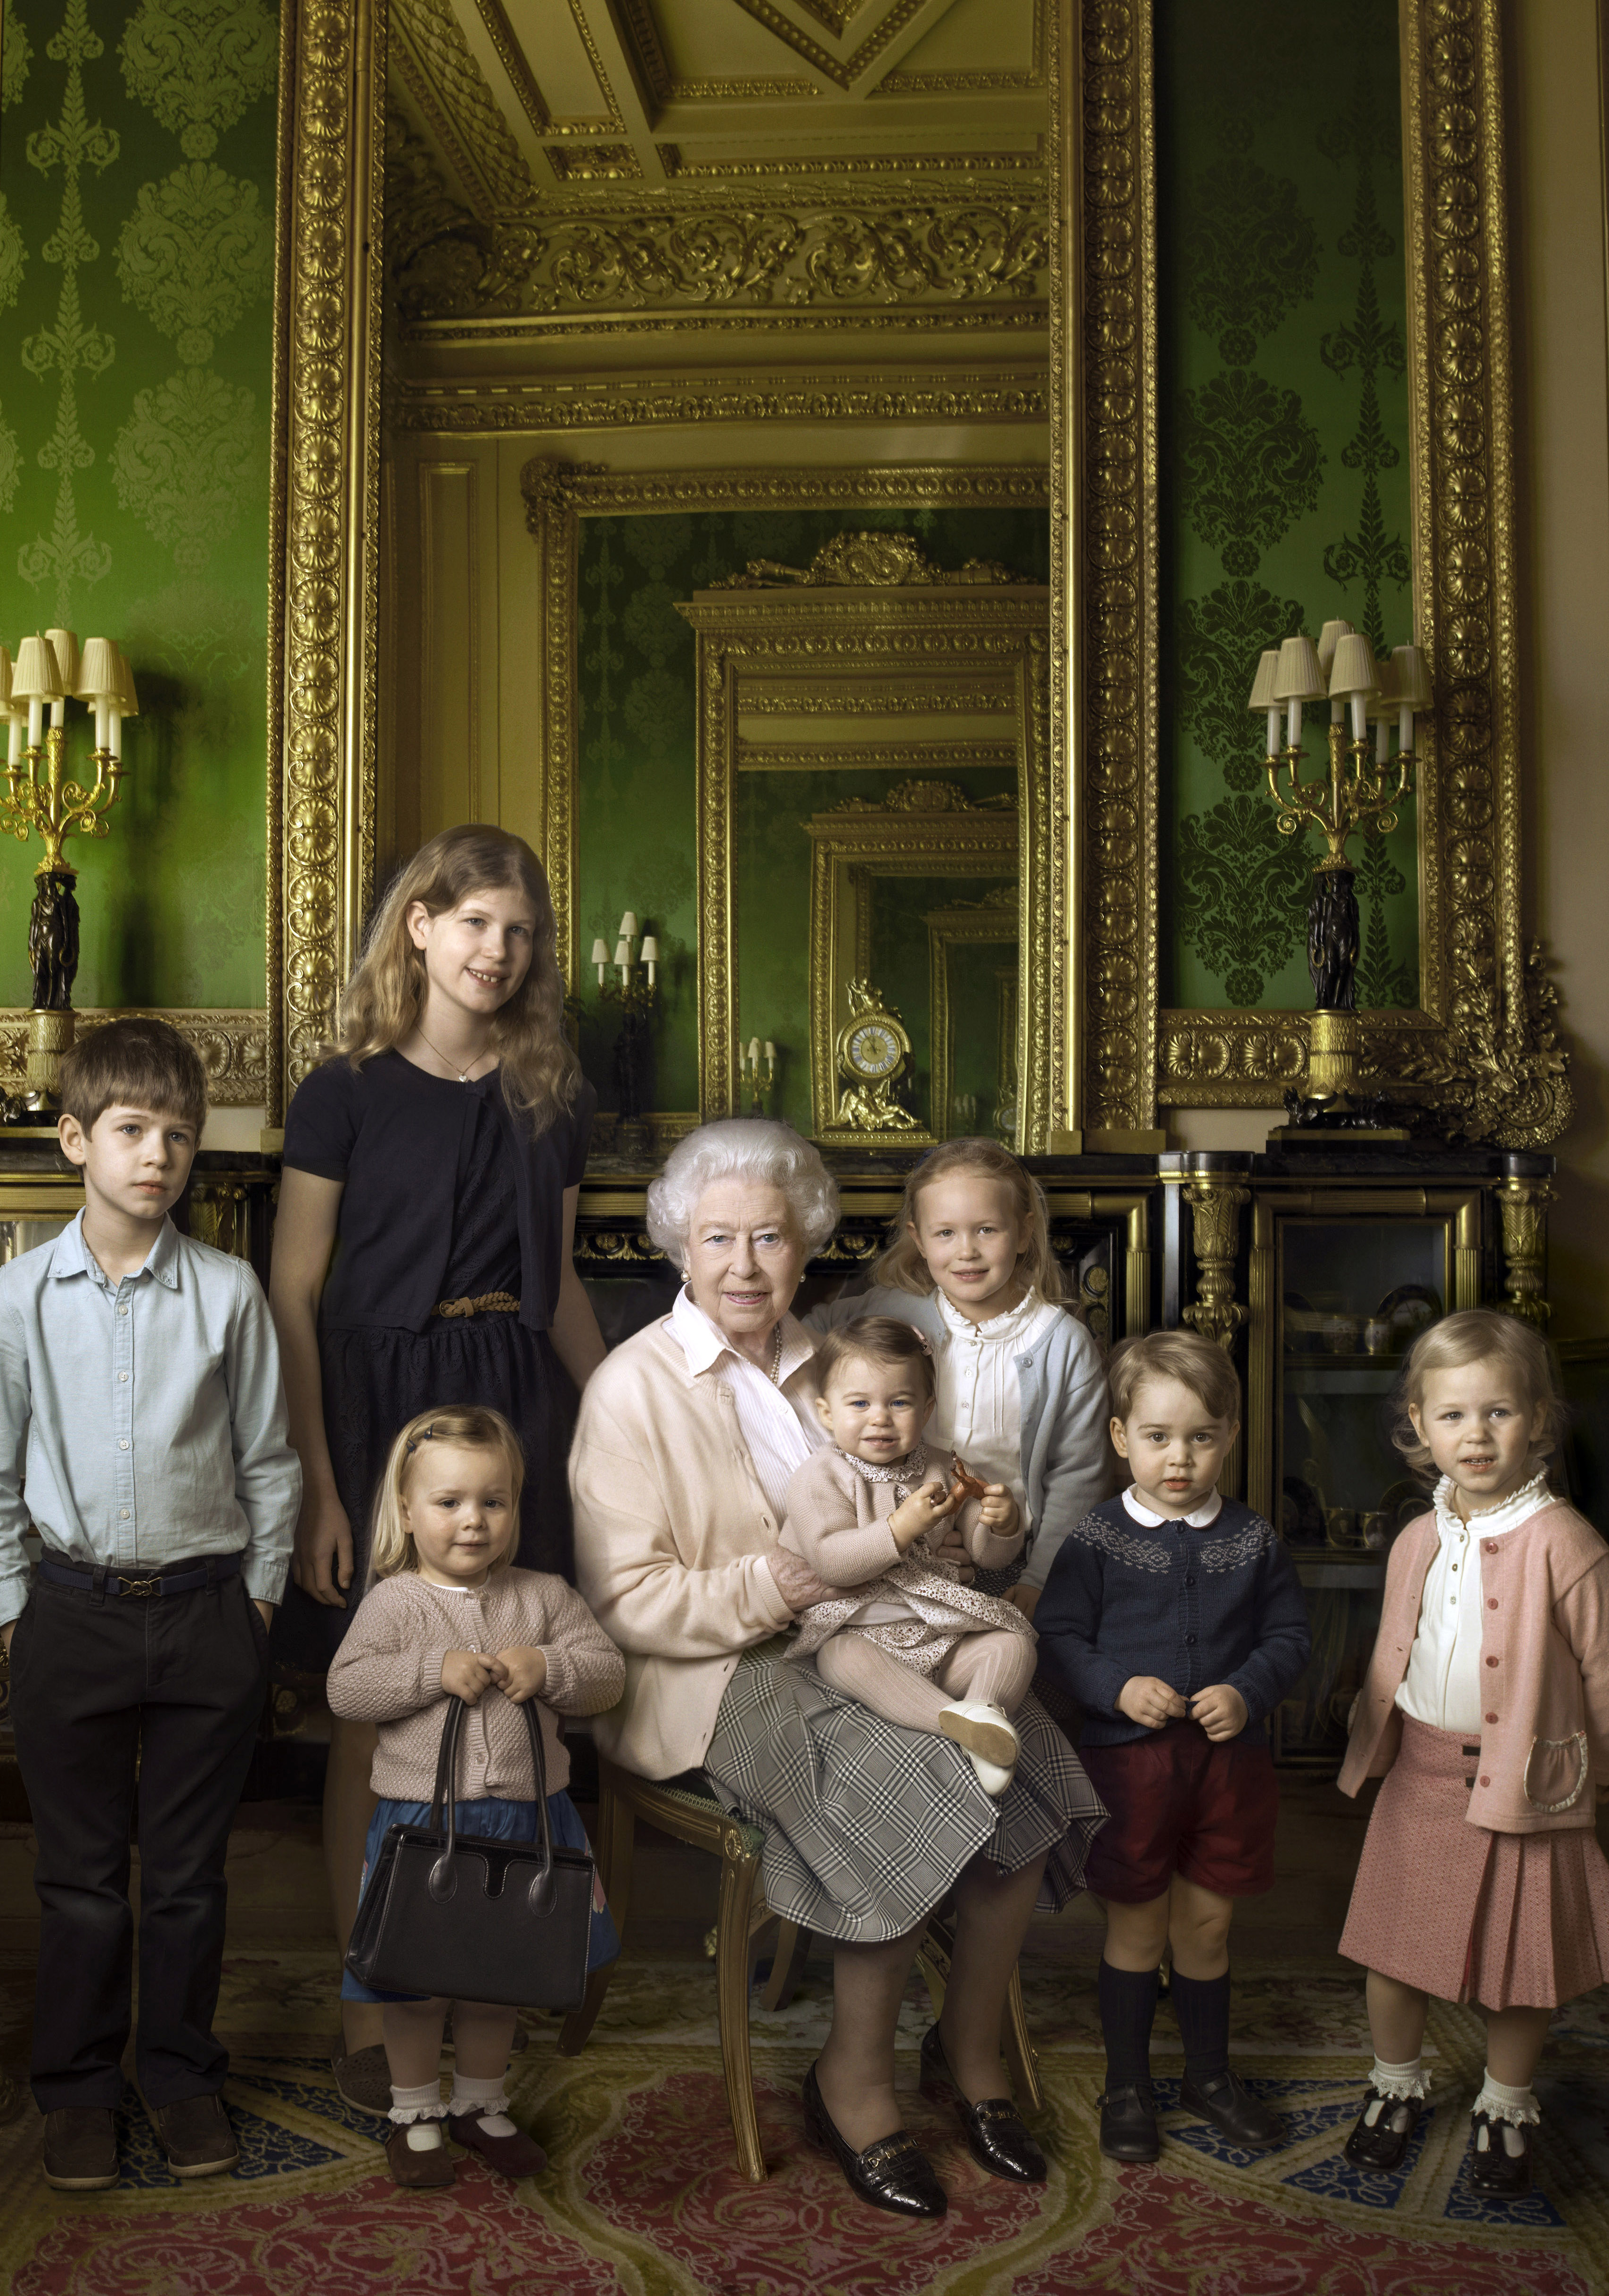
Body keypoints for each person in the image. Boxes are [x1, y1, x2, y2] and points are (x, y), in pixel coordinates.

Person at [571, 1120, 1103, 2219]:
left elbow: (926, 1529)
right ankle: (849, 2079)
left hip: (871, 1635)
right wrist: (783, 1586)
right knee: (907, 1771)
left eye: (769, 1235)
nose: (744, 1264)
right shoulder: (632, 1389)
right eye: (717, 1237)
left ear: (805, 1244)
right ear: (677, 1246)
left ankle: (968, 2050)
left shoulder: (842, 1360)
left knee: (1029, 1758)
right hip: (714, 1667)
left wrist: (974, 1535)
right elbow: (629, 1605)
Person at [270, 825, 609, 2112]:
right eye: (473, 923)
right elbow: (293, 1291)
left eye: (518, 931)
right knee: (379, 1712)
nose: (496, 951)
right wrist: (315, 1477)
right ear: (417, 926)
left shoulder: (548, 1095)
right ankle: (376, 1993)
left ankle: (501, 1966)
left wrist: (616, 1409)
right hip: (376, 1411)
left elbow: (563, 1280)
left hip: (513, 1395)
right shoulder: (342, 1090)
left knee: (522, 1693)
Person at [0, 1018, 301, 2192]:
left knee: (191, 1876)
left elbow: (267, 1462)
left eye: (180, 1137)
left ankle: (183, 2074)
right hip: (70, 1617)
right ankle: (80, 2089)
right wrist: (14, 1613)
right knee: (82, 1880)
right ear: (75, 1141)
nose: (158, 1155)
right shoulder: (16, 1299)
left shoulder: (229, 1292)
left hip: (207, 1615)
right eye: (133, 1131)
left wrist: (255, 1604)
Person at [1335, 1309, 1609, 2198]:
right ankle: (1395, 2085)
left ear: (1540, 1419)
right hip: (1423, 1772)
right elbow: (1399, 1648)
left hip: (1526, 1782)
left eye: (1500, 1413)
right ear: (1418, 1425)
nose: (1476, 1434)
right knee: (1393, 1949)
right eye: (1453, 1415)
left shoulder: (1565, 1541)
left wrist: (1582, 1764)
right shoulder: (1417, 1536)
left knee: (1521, 1963)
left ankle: (1506, 2102)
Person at [326, 1406, 625, 2190]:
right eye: (450, 1501)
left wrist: (550, 1667)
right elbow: (347, 1688)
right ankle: (417, 2108)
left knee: (503, 1978)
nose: (473, 1520)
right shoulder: (395, 1604)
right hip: (424, 1826)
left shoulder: (547, 1596)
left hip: (530, 1823)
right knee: (416, 1981)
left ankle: (481, 2102)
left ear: (517, 1507)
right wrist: (432, 1669)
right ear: (407, 1510)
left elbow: (607, 1672)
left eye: (494, 1500)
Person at [1034, 1330, 1309, 2166]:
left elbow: (1292, 1634)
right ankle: (1126, 2081)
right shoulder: (1097, 1538)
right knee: (1137, 1926)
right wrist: (1116, 1686)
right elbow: (1058, 1634)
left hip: (1229, 1767)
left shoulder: (1254, 1538)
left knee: (1210, 1924)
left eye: (1199, 1436)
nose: (1178, 1458)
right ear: (1121, 1437)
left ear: (1229, 1433)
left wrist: (1248, 1688)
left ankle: (1209, 2075)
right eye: (1157, 1437)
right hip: (1133, 1767)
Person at [808, 1137, 1115, 1605]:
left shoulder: (1063, 1344)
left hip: (1011, 1554)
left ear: (1024, 1232)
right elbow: (805, 1338)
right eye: (945, 1232)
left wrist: (1039, 1578)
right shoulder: (892, 1310)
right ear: (918, 1238)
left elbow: (1078, 1479)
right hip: (898, 1542)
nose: (966, 1251)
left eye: (987, 1229)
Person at [776, 1316, 1039, 1792]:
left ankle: (984, 1708)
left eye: (899, 1402)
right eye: (859, 1403)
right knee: (841, 1658)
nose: (880, 1417)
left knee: (1014, 1643)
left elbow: (987, 1557)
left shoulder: (943, 1466)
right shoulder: (821, 1476)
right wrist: (899, 1529)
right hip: (860, 1626)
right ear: (827, 1412)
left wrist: (1001, 1525)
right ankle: (958, 1724)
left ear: (926, 1409)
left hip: (937, 1629)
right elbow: (830, 1560)